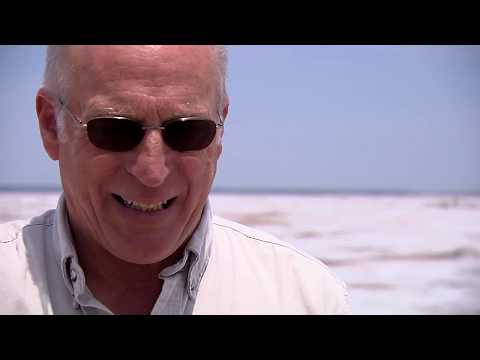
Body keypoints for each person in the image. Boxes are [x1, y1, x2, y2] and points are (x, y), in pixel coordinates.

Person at [0, 45, 349, 314]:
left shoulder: (303, 298)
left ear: (220, 129)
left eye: (188, 131)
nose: (152, 172)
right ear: (51, 125)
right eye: (114, 130)